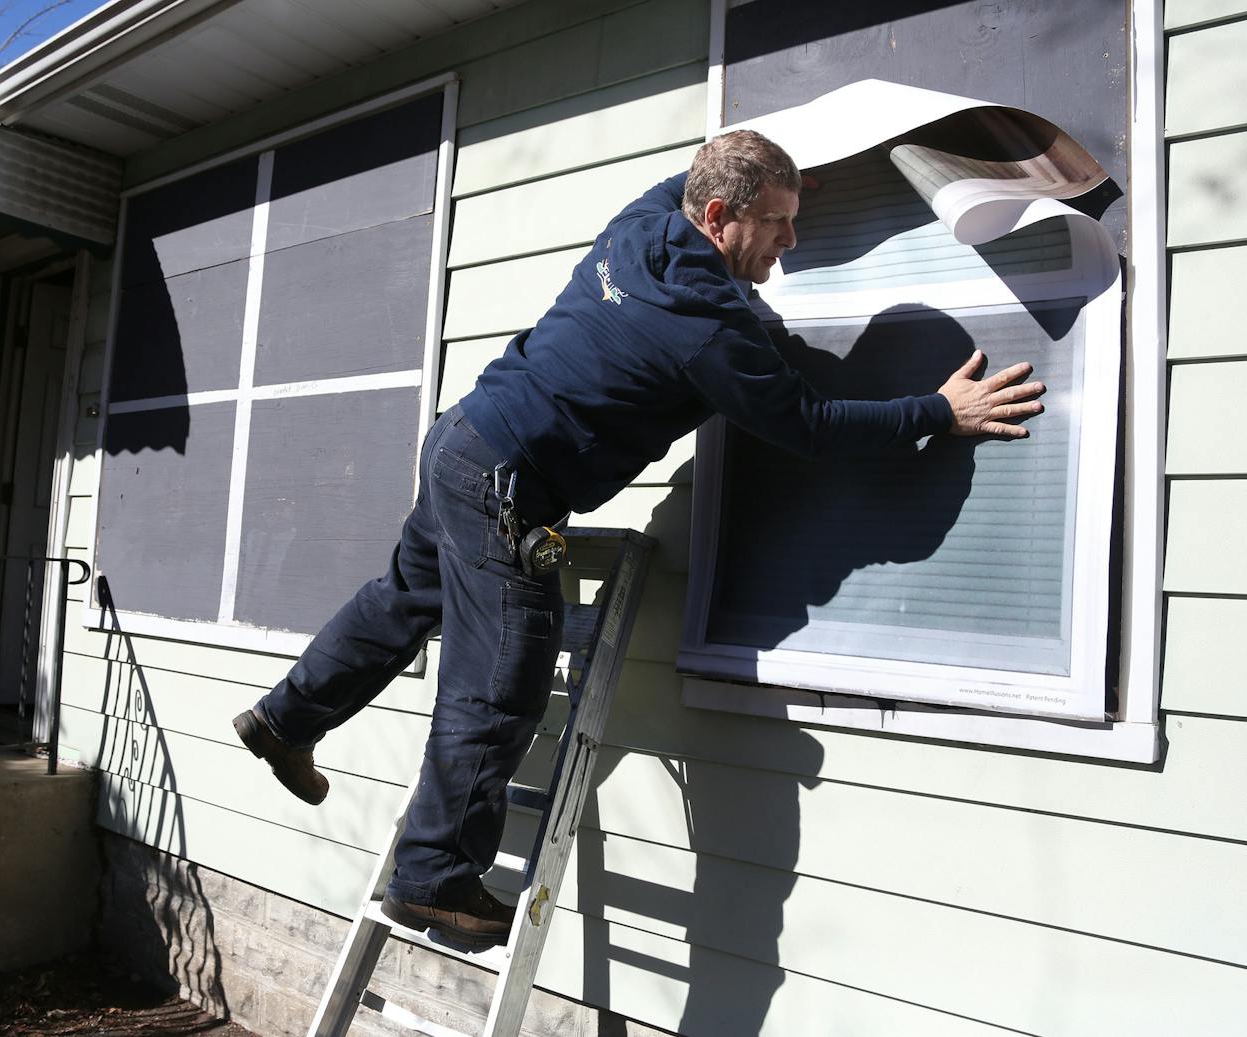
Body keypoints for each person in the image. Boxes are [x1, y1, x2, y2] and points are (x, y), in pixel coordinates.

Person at [232, 130, 1045, 946]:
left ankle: (286, 718)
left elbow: (693, 180)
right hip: (507, 485)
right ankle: (434, 877)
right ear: (721, 217)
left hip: (465, 439)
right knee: (503, 674)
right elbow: (808, 424)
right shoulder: (709, 328)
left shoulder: (649, 218)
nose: (791, 241)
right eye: (779, 222)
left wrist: (793, 175)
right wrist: (939, 412)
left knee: (404, 597)